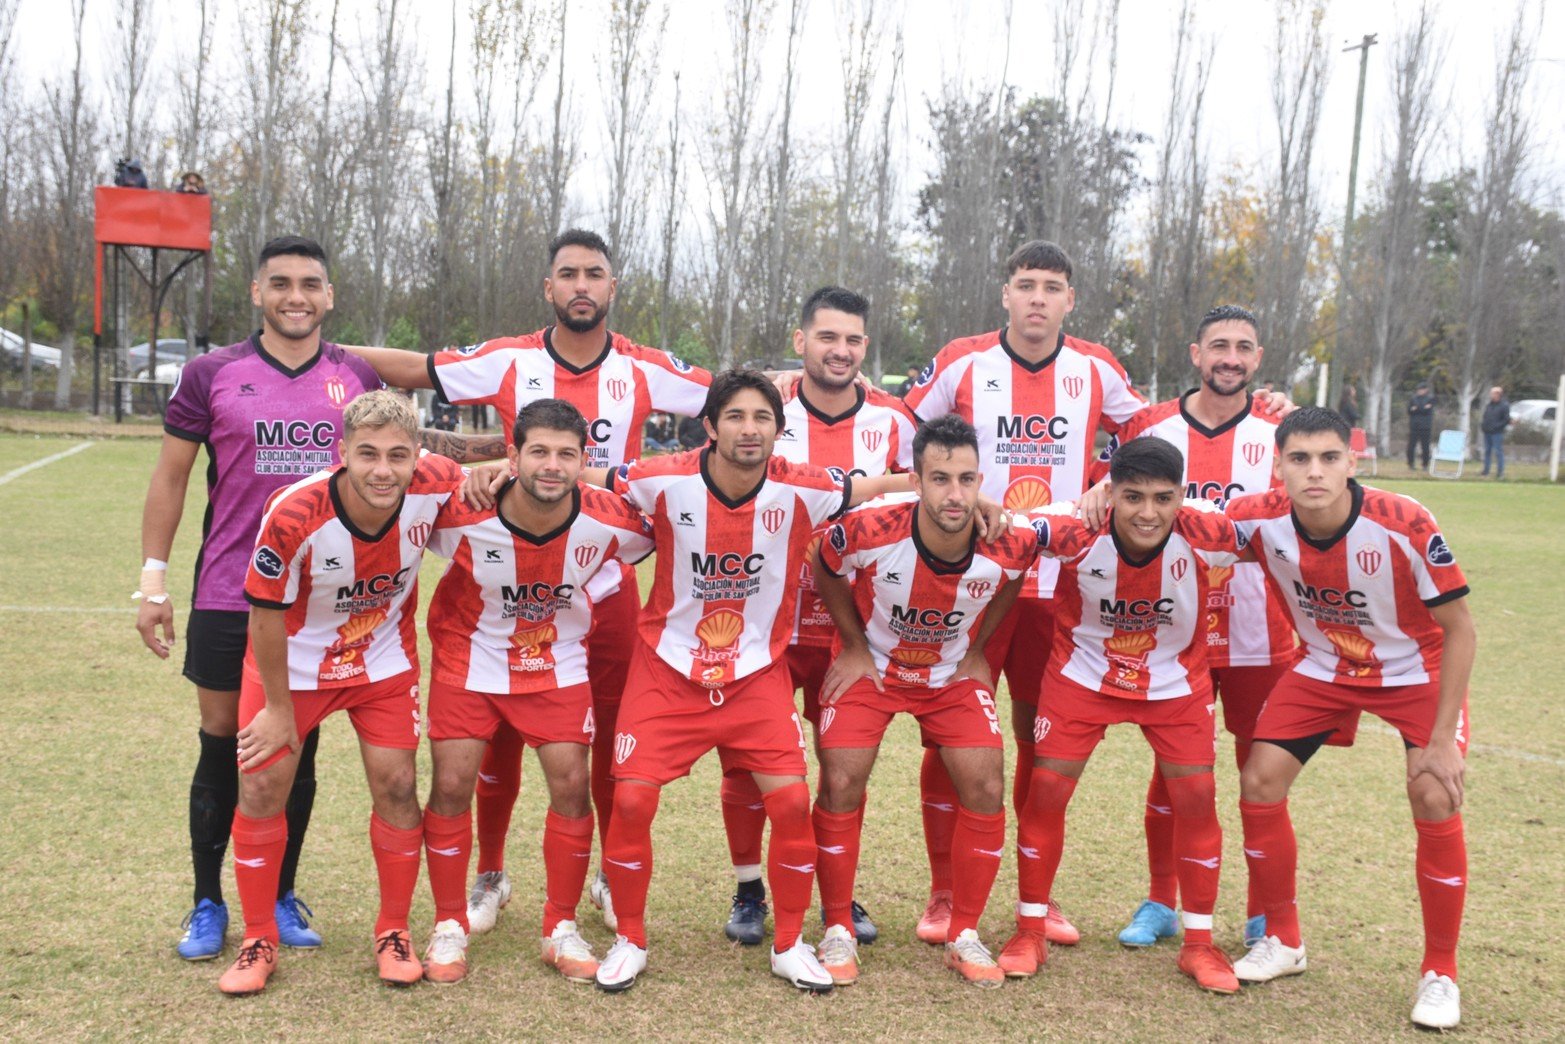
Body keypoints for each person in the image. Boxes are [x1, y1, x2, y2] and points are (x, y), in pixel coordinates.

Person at [344, 229, 712, 937]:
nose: (581, 285)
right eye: (568, 273)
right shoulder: (510, 358)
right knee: (494, 739)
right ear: (549, 287)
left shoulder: (643, 368)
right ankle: (490, 872)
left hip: (602, 582)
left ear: (612, 287)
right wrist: (319, 352)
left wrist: (805, 379)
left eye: (594, 274)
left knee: (605, 740)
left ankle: (605, 872)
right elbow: (415, 369)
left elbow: (734, 400)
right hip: (506, 577)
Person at [588, 369, 933, 994]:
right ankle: (630, 939)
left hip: (754, 673)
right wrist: (501, 471)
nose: (749, 429)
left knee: (792, 802)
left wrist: (954, 493)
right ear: (710, 425)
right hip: (667, 669)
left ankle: (789, 945)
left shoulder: (803, 485)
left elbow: (871, 487)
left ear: (779, 428)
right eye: (736, 417)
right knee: (632, 801)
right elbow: (584, 475)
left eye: (762, 418)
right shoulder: (660, 478)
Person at [138, 235, 385, 961]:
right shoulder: (211, 374)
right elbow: (171, 478)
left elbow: (391, 460)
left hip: (322, 601)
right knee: (223, 742)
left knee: (295, 749)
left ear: (329, 295)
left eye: (310, 284)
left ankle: (278, 892)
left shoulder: (357, 374)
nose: (295, 297)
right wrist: (152, 581)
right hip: (230, 593)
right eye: (280, 283)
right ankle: (207, 901)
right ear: (257, 293)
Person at [901, 240, 1147, 946]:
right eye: (1026, 284)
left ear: (1070, 300)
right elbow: (896, 428)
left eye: (1052, 287)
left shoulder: (1096, 368)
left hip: (1058, 588)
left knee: (1042, 738)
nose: (1038, 298)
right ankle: (944, 893)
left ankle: (1037, 897)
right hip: (970, 583)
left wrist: (1111, 478)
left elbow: (1154, 435)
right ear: (1005, 293)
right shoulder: (962, 361)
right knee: (951, 736)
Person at [1079, 305, 1334, 951]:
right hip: (1172, 628)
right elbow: (1101, 490)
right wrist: (1095, 490)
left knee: (1261, 774)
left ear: (1258, 358)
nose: (1230, 358)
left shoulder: (1279, 430)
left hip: (1258, 630)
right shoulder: (1148, 425)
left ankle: (1263, 913)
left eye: (1243, 347)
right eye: (1219, 345)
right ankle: (1160, 902)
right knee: (1175, 774)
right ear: (1196, 354)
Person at [1226, 406, 1475, 1030]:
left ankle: (1440, 973)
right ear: (1277, 467)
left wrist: (1442, 740)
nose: (1314, 472)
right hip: (1324, 665)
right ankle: (1283, 939)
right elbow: (1177, 521)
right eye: (1300, 459)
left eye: (1328, 458)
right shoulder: (1255, 518)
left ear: (1351, 462)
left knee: (1433, 792)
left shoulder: (1405, 522)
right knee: (1259, 779)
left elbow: (1461, 630)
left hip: (1416, 669)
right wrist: (1100, 493)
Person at [216, 390, 465, 995]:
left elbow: (486, 481)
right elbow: (264, 614)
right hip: (292, 667)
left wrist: (496, 470)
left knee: (398, 786)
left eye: (398, 456)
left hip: (381, 661)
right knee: (261, 787)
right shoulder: (294, 512)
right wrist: (278, 710)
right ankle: (258, 939)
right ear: (343, 451)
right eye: (368, 454)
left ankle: (393, 930)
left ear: (417, 456)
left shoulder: (436, 483)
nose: (384, 470)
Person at [997, 437, 1248, 995]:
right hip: (1083, 678)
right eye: (1133, 497)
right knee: (1046, 791)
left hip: (1175, 684)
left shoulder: (1209, 530)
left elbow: (1288, 534)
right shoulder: (1073, 527)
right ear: (1110, 493)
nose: (1148, 513)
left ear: (1181, 495)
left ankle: (1200, 944)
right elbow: (998, 525)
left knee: (1196, 798)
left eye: (1163, 498)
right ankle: (1030, 930)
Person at [417, 400, 655, 984]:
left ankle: (560, 926)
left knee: (571, 786)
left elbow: (673, 531)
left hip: (556, 660)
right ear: (513, 455)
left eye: (566, 454)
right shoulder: (461, 510)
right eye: (539, 452)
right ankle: (448, 925)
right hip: (469, 660)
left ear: (583, 460)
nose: (552, 465)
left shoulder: (613, 520)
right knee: (451, 785)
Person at [717, 286, 917, 948]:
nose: (840, 350)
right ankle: (750, 890)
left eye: (853, 340)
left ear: (865, 347)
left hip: (850, 630)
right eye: (827, 337)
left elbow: (924, 492)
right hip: (763, 622)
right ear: (800, 341)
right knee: (746, 766)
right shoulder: (766, 410)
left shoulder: (893, 421)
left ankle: (837, 888)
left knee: (840, 771)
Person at [809, 414, 1032, 987]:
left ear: (980, 480)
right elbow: (825, 563)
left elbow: (1014, 576)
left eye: (966, 479)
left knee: (986, 785)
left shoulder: (1010, 540)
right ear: (915, 481)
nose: (955, 494)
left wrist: (977, 649)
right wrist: (852, 644)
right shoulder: (869, 529)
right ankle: (837, 928)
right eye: (940, 479)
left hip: (950, 675)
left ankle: (964, 934)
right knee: (840, 780)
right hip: (874, 669)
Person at [1480, 386, 1510, 478]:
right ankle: (1486, 471)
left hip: (1497, 433)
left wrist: (1496, 427)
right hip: (1487, 432)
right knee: (1487, 451)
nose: (1491, 395)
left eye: (1492, 393)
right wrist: (1483, 426)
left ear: (1498, 394)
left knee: (1498, 452)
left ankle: (1500, 472)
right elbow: (1485, 416)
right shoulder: (1489, 405)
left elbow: (1506, 420)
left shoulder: (1504, 405)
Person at [1407, 380, 1435, 470]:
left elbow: (1426, 410)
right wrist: (1421, 408)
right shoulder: (1413, 399)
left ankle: (1425, 464)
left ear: (1426, 390)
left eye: (1421, 389)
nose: (1419, 391)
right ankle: (1411, 463)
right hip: (1414, 426)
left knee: (1425, 446)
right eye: (1418, 389)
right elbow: (1410, 410)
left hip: (1425, 426)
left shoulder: (1430, 398)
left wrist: (1417, 409)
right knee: (1411, 446)